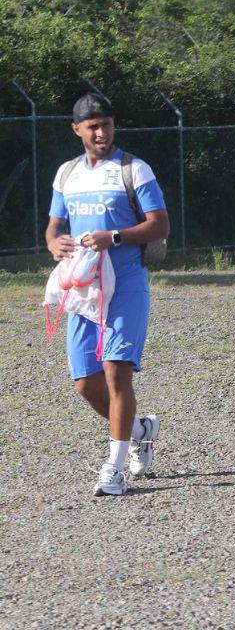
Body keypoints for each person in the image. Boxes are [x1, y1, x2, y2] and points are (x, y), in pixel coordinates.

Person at [45, 93, 170, 497]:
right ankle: (140, 430)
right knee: (85, 383)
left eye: (107, 124)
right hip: (84, 285)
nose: (102, 132)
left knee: (117, 372)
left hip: (127, 282)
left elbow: (159, 225)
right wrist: (54, 244)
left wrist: (113, 236)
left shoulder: (134, 169)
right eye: (93, 126)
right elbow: (53, 226)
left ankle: (113, 469)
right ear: (76, 129)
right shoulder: (67, 174)